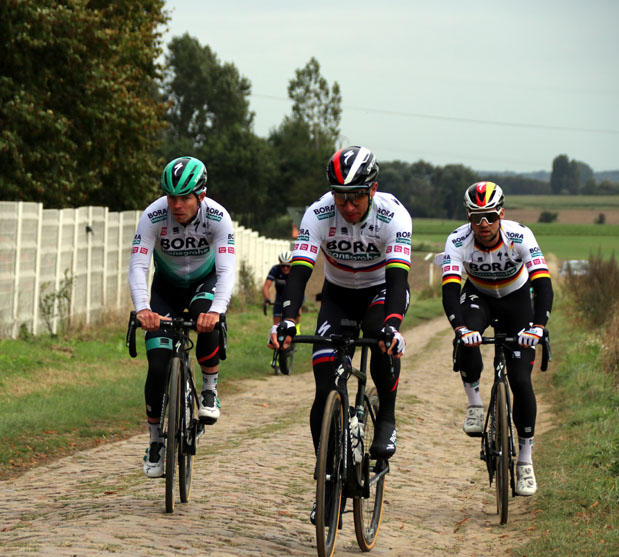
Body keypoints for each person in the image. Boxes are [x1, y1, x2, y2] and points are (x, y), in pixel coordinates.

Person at [268, 145, 412, 521]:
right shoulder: (318, 213)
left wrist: (393, 327)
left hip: (381, 291)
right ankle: (327, 481)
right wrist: (287, 319)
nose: (347, 206)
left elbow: (398, 280)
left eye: (355, 197)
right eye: (340, 197)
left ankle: (387, 418)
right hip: (338, 295)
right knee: (324, 384)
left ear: (373, 189)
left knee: (381, 342)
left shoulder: (393, 216)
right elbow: (299, 272)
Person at [441, 181, 553, 496]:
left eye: (490, 216)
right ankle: (475, 404)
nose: (484, 224)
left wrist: (539, 327)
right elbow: (450, 290)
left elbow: (543, 286)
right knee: (467, 336)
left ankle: (525, 463)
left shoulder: (521, 236)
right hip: (478, 296)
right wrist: (460, 329)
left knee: (521, 380)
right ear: (468, 216)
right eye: (476, 217)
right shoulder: (457, 240)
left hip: (517, 301)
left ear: (501, 213)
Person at [129, 156, 235, 478]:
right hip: (166, 288)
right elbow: (138, 265)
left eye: (185, 197)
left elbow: (227, 269)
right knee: (158, 363)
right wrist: (143, 308)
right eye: (171, 196)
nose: (176, 204)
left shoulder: (218, 217)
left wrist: (218, 310)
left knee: (207, 317)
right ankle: (156, 441)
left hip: (205, 283)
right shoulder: (153, 215)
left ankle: (210, 388)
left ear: (200, 196)